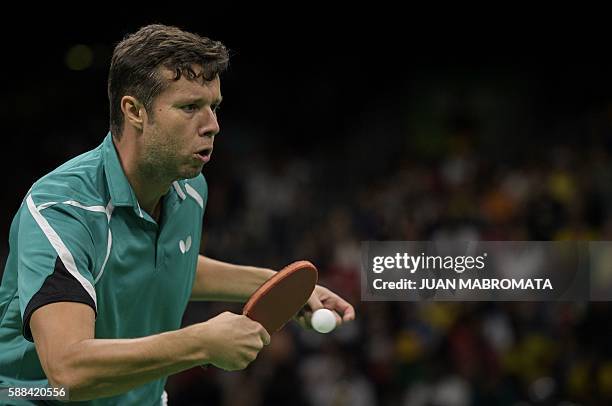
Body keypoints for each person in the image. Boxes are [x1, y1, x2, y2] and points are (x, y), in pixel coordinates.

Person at [0, 24, 355, 404]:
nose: (213, 126)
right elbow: (67, 371)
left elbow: (166, 263)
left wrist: (277, 286)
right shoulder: (63, 209)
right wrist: (200, 342)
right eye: (189, 108)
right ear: (134, 110)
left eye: (214, 107)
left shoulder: (188, 188)